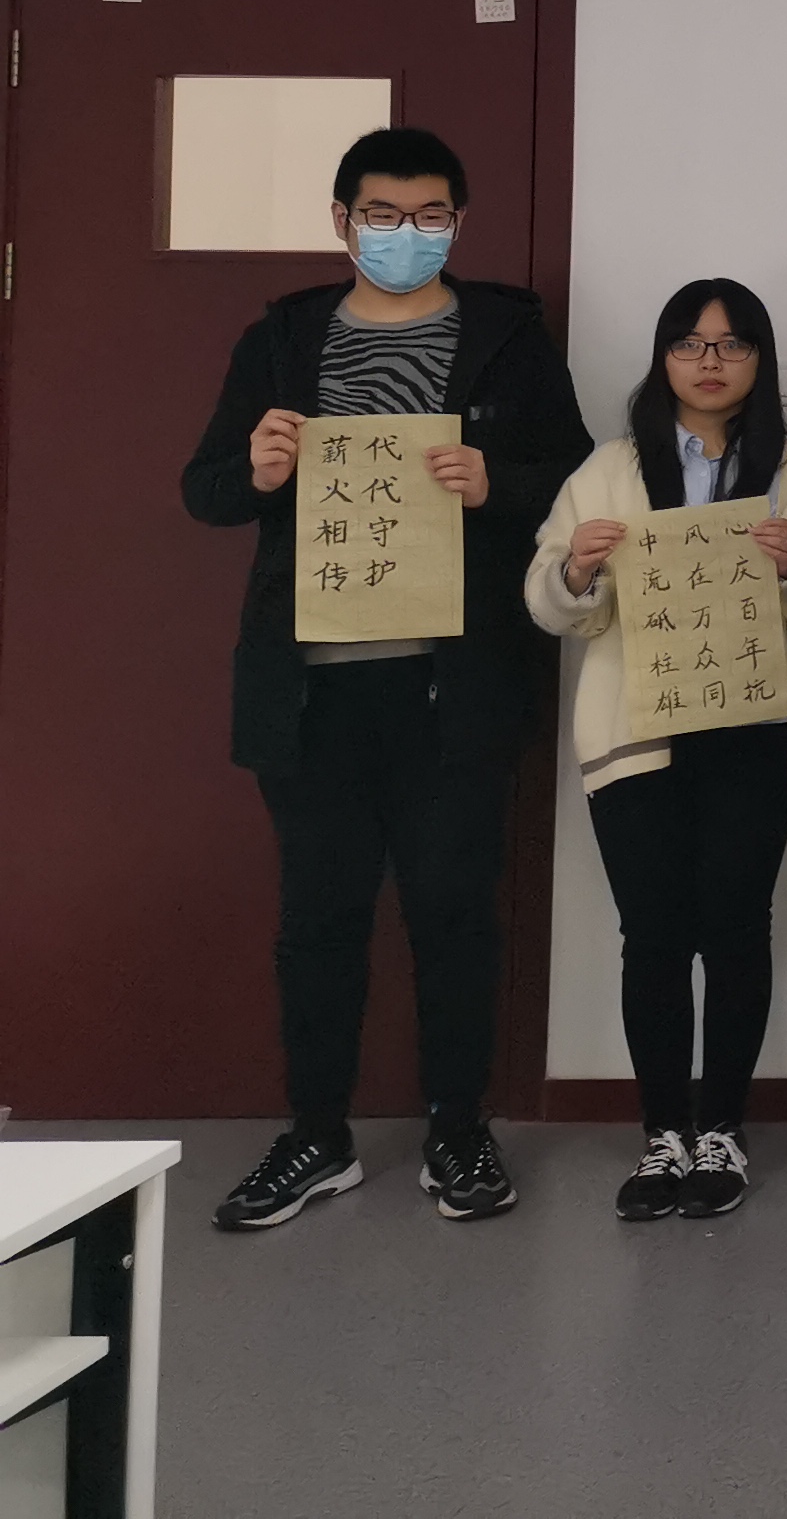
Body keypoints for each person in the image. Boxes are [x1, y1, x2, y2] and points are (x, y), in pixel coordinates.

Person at [185, 126, 591, 1232]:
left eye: (428, 217)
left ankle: (459, 1126)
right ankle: (317, 1134)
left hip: (452, 683)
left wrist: (495, 484)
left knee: (455, 912)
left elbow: (575, 477)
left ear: (458, 223)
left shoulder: (508, 337)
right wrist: (257, 469)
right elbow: (204, 490)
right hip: (310, 687)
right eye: (382, 215)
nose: (405, 235)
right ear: (341, 221)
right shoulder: (282, 339)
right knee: (317, 917)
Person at [527, 282, 787, 1217]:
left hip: (756, 732)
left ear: (760, 361)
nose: (710, 361)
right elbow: (550, 604)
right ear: (662, 356)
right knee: (653, 935)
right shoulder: (609, 467)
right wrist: (578, 567)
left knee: (738, 929)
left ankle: (722, 1132)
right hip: (639, 737)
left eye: (733, 344)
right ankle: (663, 1134)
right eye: (690, 343)